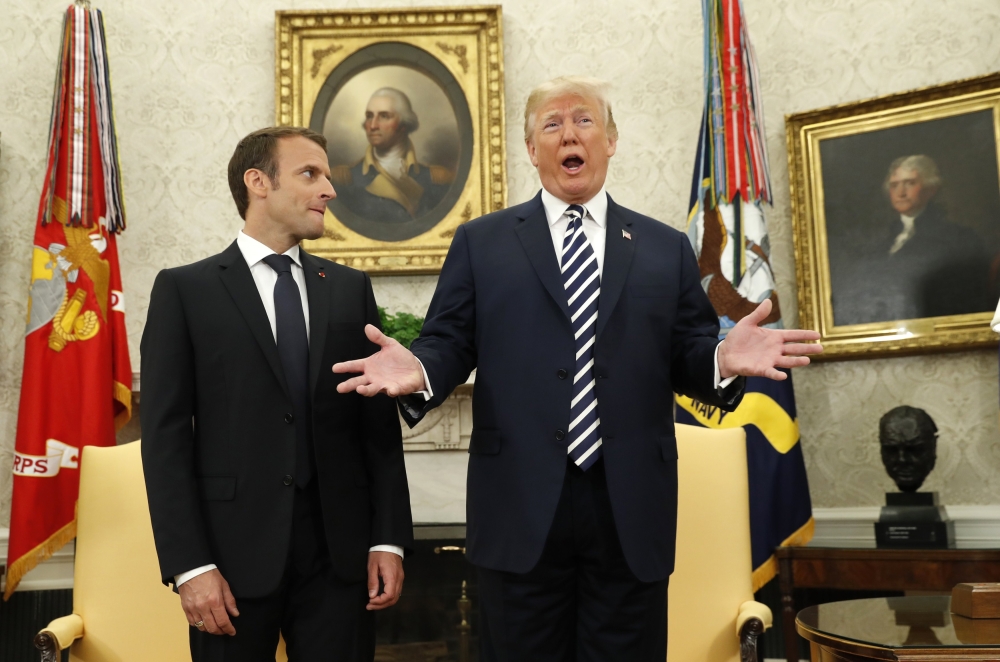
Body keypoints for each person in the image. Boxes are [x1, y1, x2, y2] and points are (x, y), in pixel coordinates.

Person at [332, 76, 822, 661]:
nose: (570, 133)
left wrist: (719, 358)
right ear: (531, 146)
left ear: (611, 139)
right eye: (552, 123)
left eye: (584, 120)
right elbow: (448, 341)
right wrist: (421, 369)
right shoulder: (481, 242)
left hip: (630, 507)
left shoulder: (664, 248)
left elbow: (688, 352)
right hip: (518, 504)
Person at [141, 126, 413, 662]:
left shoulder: (350, 290)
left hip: (340, 562)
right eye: (310, 174)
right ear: (257, 182)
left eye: (329, 177)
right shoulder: (184, 291)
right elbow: (164, 441)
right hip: (229, 564)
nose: (329, 190)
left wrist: (388, 539)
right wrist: (190, 566)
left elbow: (376, 433)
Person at [830, 155, 992, 325]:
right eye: (894, 186)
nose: (900, 193)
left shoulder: (959, 239)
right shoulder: (878, 245)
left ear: (931, 189)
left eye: (910, 183)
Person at [332, 87, 454, 224]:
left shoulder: (437, 179)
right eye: (369, 116)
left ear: (403, 124)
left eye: (384, 116)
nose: (372, 125)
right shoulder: (344, 179)